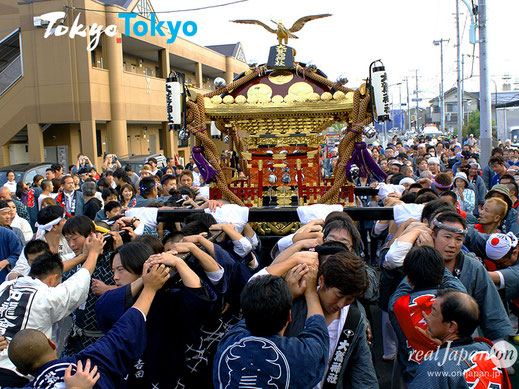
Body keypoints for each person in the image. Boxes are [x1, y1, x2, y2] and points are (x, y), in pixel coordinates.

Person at [7, 262, 171, 389]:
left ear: (21, 371)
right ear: (52, 344)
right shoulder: (87, 365)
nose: (115, 277)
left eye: (121, 270)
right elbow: (124, 331)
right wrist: (149, 289)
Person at [95, 242, 216, 388]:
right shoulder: (116, 300)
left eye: (121, 270)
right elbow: (103, 311)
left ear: (139, 267)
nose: (115, 277)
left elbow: (200, 301)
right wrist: (144, 281)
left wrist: (179, 263)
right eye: (113, 271)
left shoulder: (168, 298)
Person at [0, 235, 103, 388]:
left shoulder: (6, 285)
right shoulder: (48, 297)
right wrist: (93, 253)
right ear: (54, 279)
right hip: (13, 374)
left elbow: (54, 272)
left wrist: (82, 256)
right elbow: (79, 281)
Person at [214, 273, 330, 389]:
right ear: (290, 316)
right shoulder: (298, 356)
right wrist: (310, 292)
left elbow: (253, 313)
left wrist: (285, 297)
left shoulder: (228, 344)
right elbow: (318, 332)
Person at [389, 246, 466, 385]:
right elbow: (451, 280)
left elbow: (403, 287)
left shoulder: (396, 305)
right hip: (454, 374)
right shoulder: (457, 300)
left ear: (408, 278)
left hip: (417, 377)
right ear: (441, 276)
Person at [409, 290, 510, 388]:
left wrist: (442, 353)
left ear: (452, 326)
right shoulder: (488, 348)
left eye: (433, 312)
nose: (428, 317)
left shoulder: (434, 364)